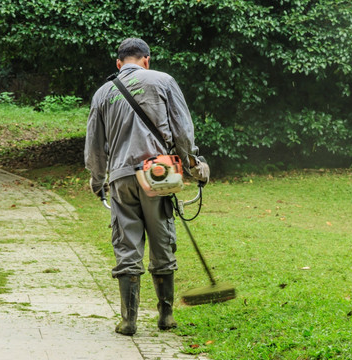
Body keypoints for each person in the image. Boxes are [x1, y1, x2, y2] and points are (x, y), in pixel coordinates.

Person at [84, 38, 209, 336]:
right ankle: (166, 317)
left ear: (119, 63)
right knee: (162, 237)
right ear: (146, 60)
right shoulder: (163, 81)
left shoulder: (103, 93)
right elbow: (182, 129)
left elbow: (94, 147)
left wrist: (97, 180)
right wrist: (192, 163)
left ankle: (129, 321)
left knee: (127, 244)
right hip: (159, 172)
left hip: (121, 175)